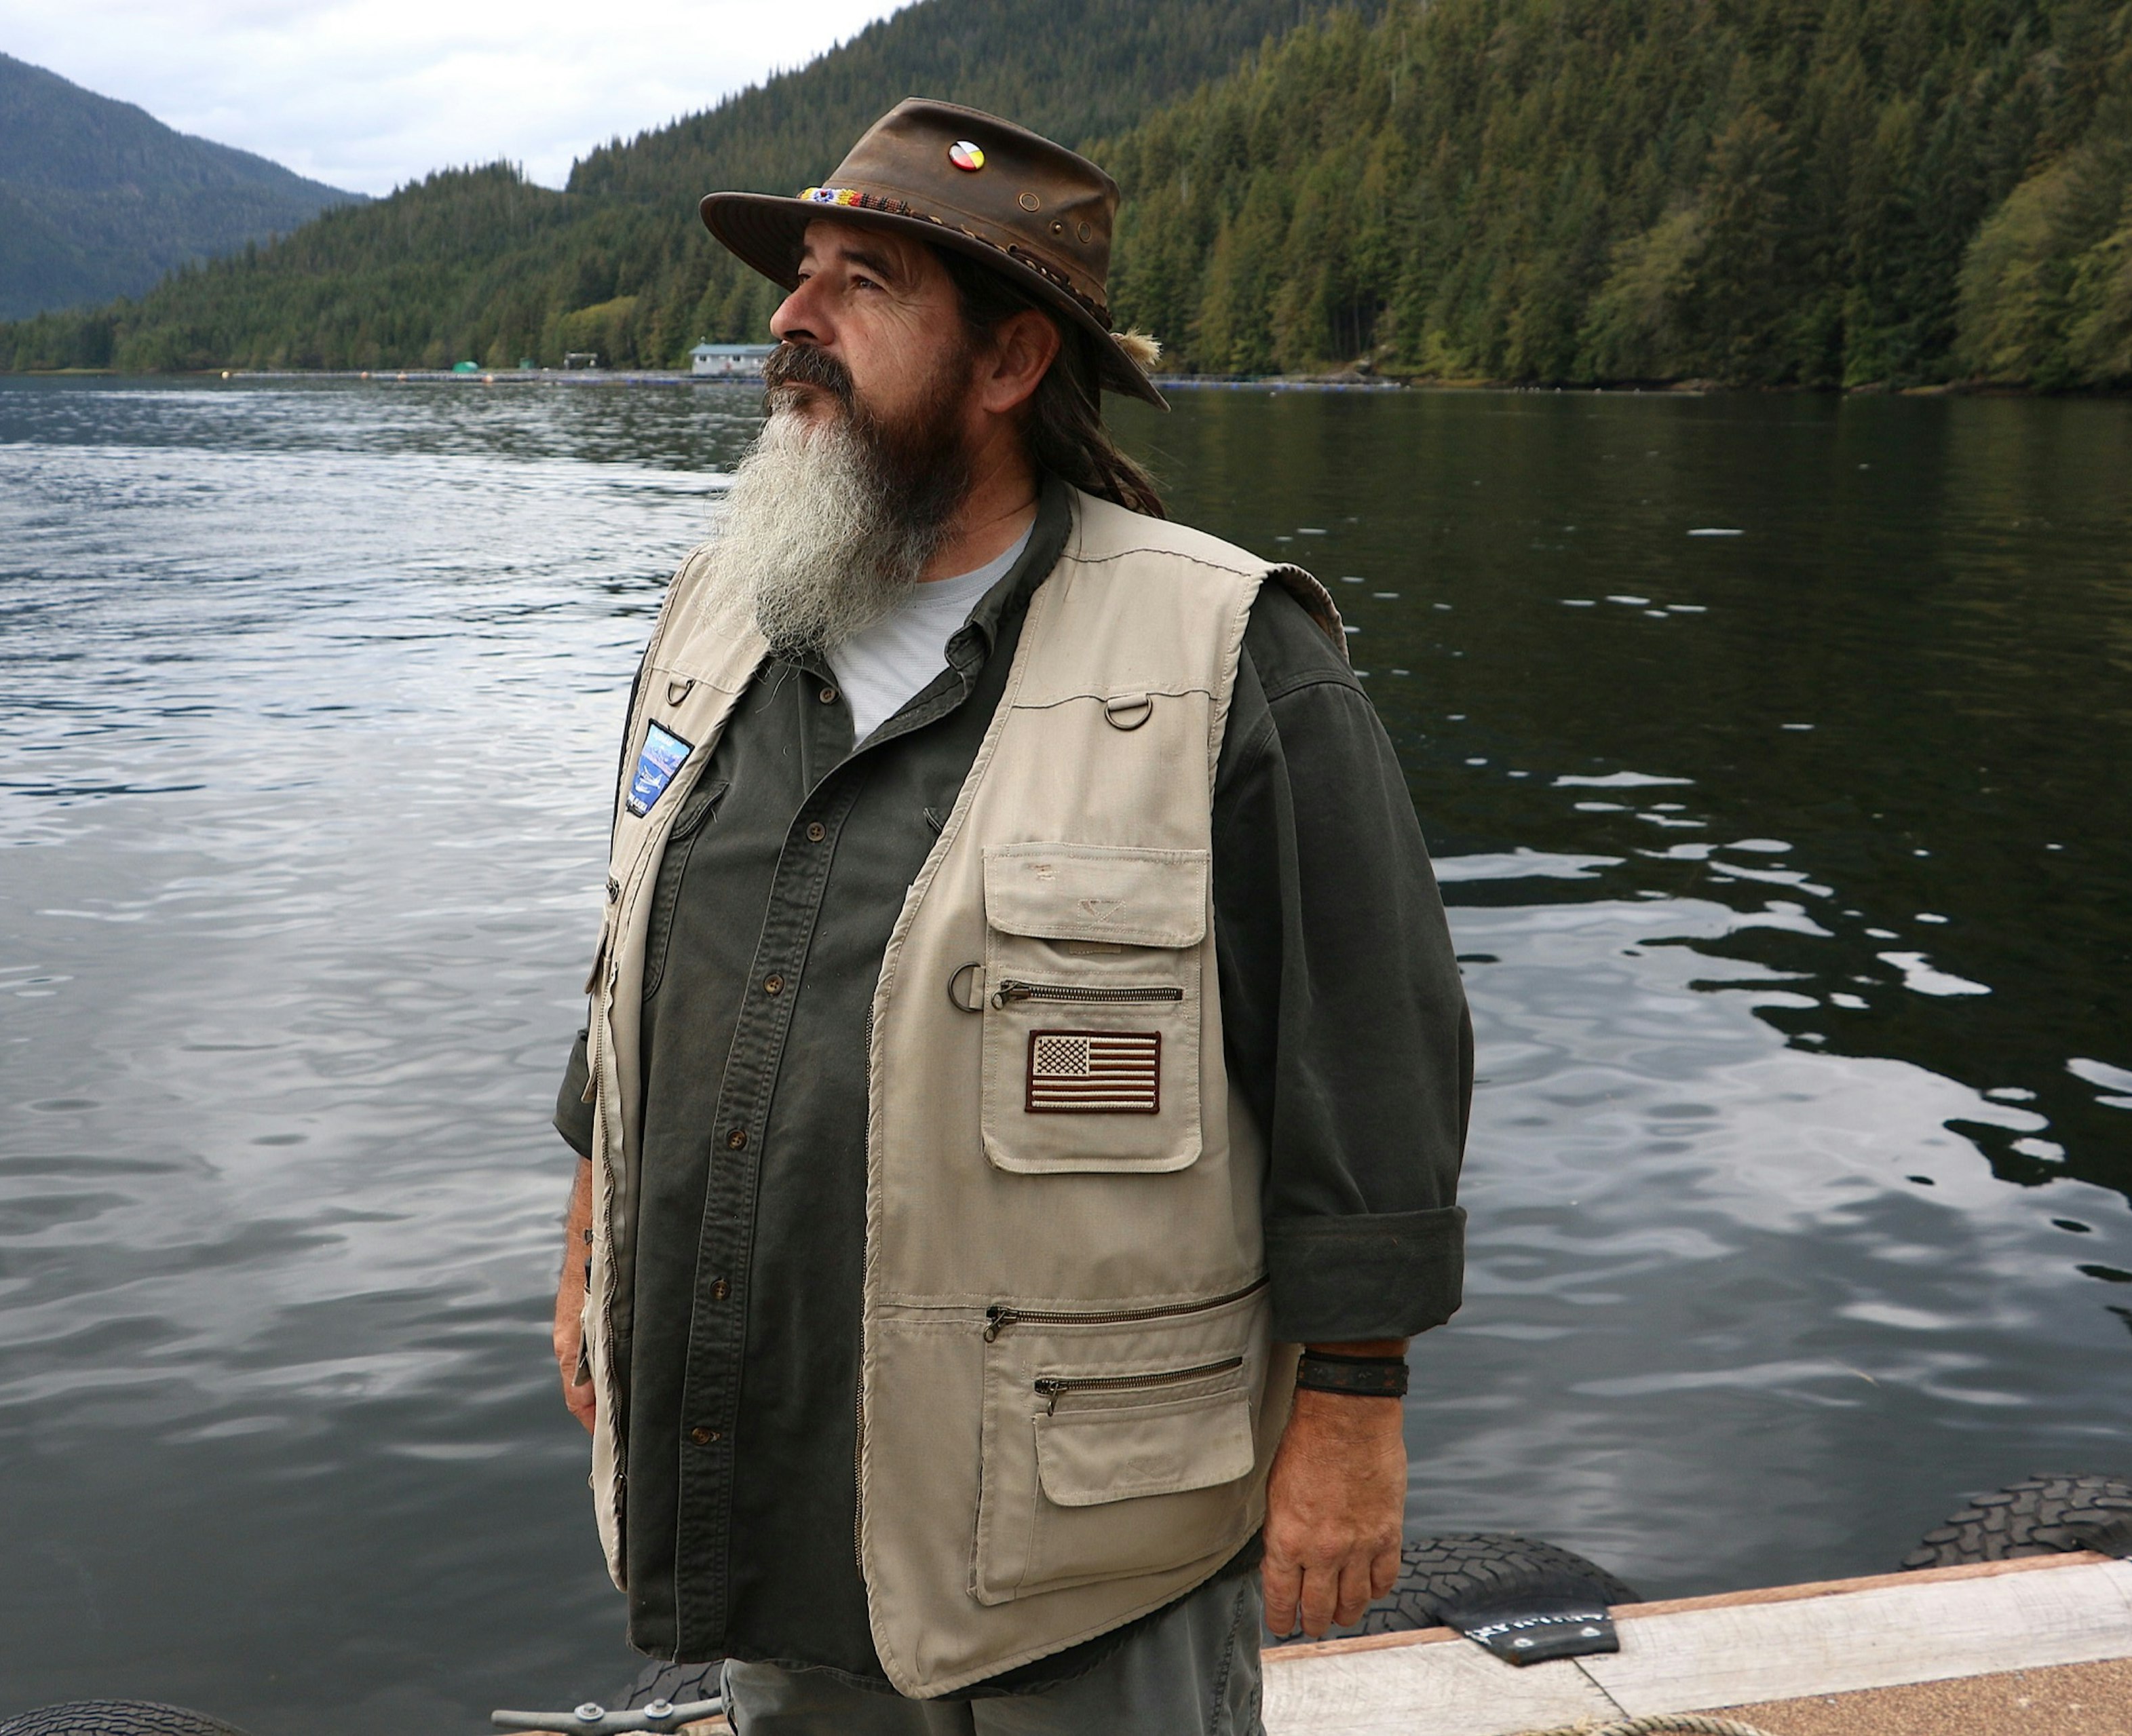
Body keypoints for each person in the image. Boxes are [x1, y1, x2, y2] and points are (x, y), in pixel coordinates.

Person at [548, 98, 1469, 1735]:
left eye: (863, 283)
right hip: (768, 1471)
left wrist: (1352, 1410)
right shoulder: (717, 613)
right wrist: (584, 1253)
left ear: (1007, 363)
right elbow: (635, 963)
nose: (791, 318)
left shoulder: (1230, 661)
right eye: (802, 272)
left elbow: (1368, 1060)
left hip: (1080, 1523)